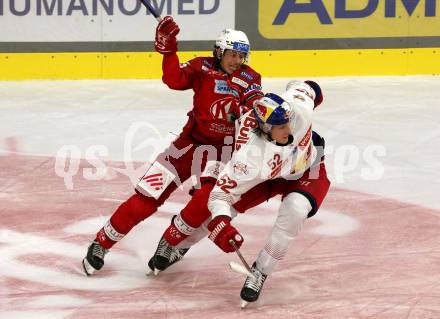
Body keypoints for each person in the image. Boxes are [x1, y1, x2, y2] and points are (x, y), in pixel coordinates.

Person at [82, 16, 263, 276]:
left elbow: (257, 102)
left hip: (222, 153)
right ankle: (102, 242)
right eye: (231, 54)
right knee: (147, 196)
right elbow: (173, 79)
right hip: (187, 145)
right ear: (219, 52)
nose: (236, 61)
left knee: (204, 203)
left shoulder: (250, 76)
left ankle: (170, 242)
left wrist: (247, 107)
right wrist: (169, 51)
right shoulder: (202, 67)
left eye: (241, 56)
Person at [148, 80, 330, 307]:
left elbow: (308, 87)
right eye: (280, 126)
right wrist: (223, 222)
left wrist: (308, 92)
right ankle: (183, 244)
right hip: (263, 177)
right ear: (265, 128)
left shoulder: (299, 110)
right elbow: (220, 195)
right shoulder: (248, 158)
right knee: (215, 212)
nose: (289, 129)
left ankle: (260, 271)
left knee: (296, 210)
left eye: (287, 122)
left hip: (307, 170)